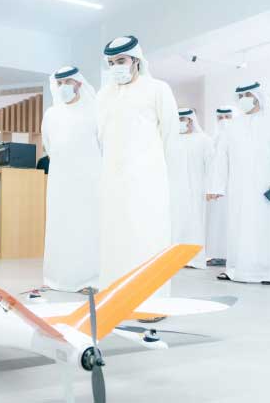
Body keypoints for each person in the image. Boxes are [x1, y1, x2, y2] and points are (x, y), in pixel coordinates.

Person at [97, 36, 179, 299]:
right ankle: (116, 298)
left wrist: (169, 178)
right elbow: (101, 139)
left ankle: (152, 301)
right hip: (113, 178)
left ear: (136, 60)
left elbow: (170, 137)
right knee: (116, 237)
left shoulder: (158, 89)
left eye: (121, 60)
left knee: (148, 237)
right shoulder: (104, 95)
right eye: (111, 63)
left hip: (148, 179)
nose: (116, 67)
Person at [208, 82, 270, 284]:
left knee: (265, 227)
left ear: (257, 96)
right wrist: (216, 186)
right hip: (239, 186)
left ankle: (268, 271)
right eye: (240, 96)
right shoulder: (232, 126)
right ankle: (236, 269)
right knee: (238, 226)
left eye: (247, 95)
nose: (243, 99)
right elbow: (221, 157)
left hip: (267, 186)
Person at [41, 66, 101, 292]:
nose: (63, 87)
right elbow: (48, 144)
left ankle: (89, 280)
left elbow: (103, 144)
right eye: (60, 83)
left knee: (85, 227)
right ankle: (55, 279)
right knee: (60, 225)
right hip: (60, 180)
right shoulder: (51, 114)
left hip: (89, 179)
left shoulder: (95, 111)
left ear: (79, 84)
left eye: (68, 82)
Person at [167, 108, 213, 269]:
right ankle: (174, 258)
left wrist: (211, 188)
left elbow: (211, 166)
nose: (179, 123)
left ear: (191, 121)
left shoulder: (204, 140)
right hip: (174, 189)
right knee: (175, 223)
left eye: (182, 119)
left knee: (194, 223)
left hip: (196, 189)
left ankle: (193, 259)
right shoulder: (170, 141)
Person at [204, 106, 235, 266]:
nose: (224, 121)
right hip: (215, 188)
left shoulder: (237, 137)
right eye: (220, 118)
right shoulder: (214, 138)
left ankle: (231, 255)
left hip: (232, 187)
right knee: (217, 222)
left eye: (228, 117)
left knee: (231, 221)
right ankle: (218, 254)